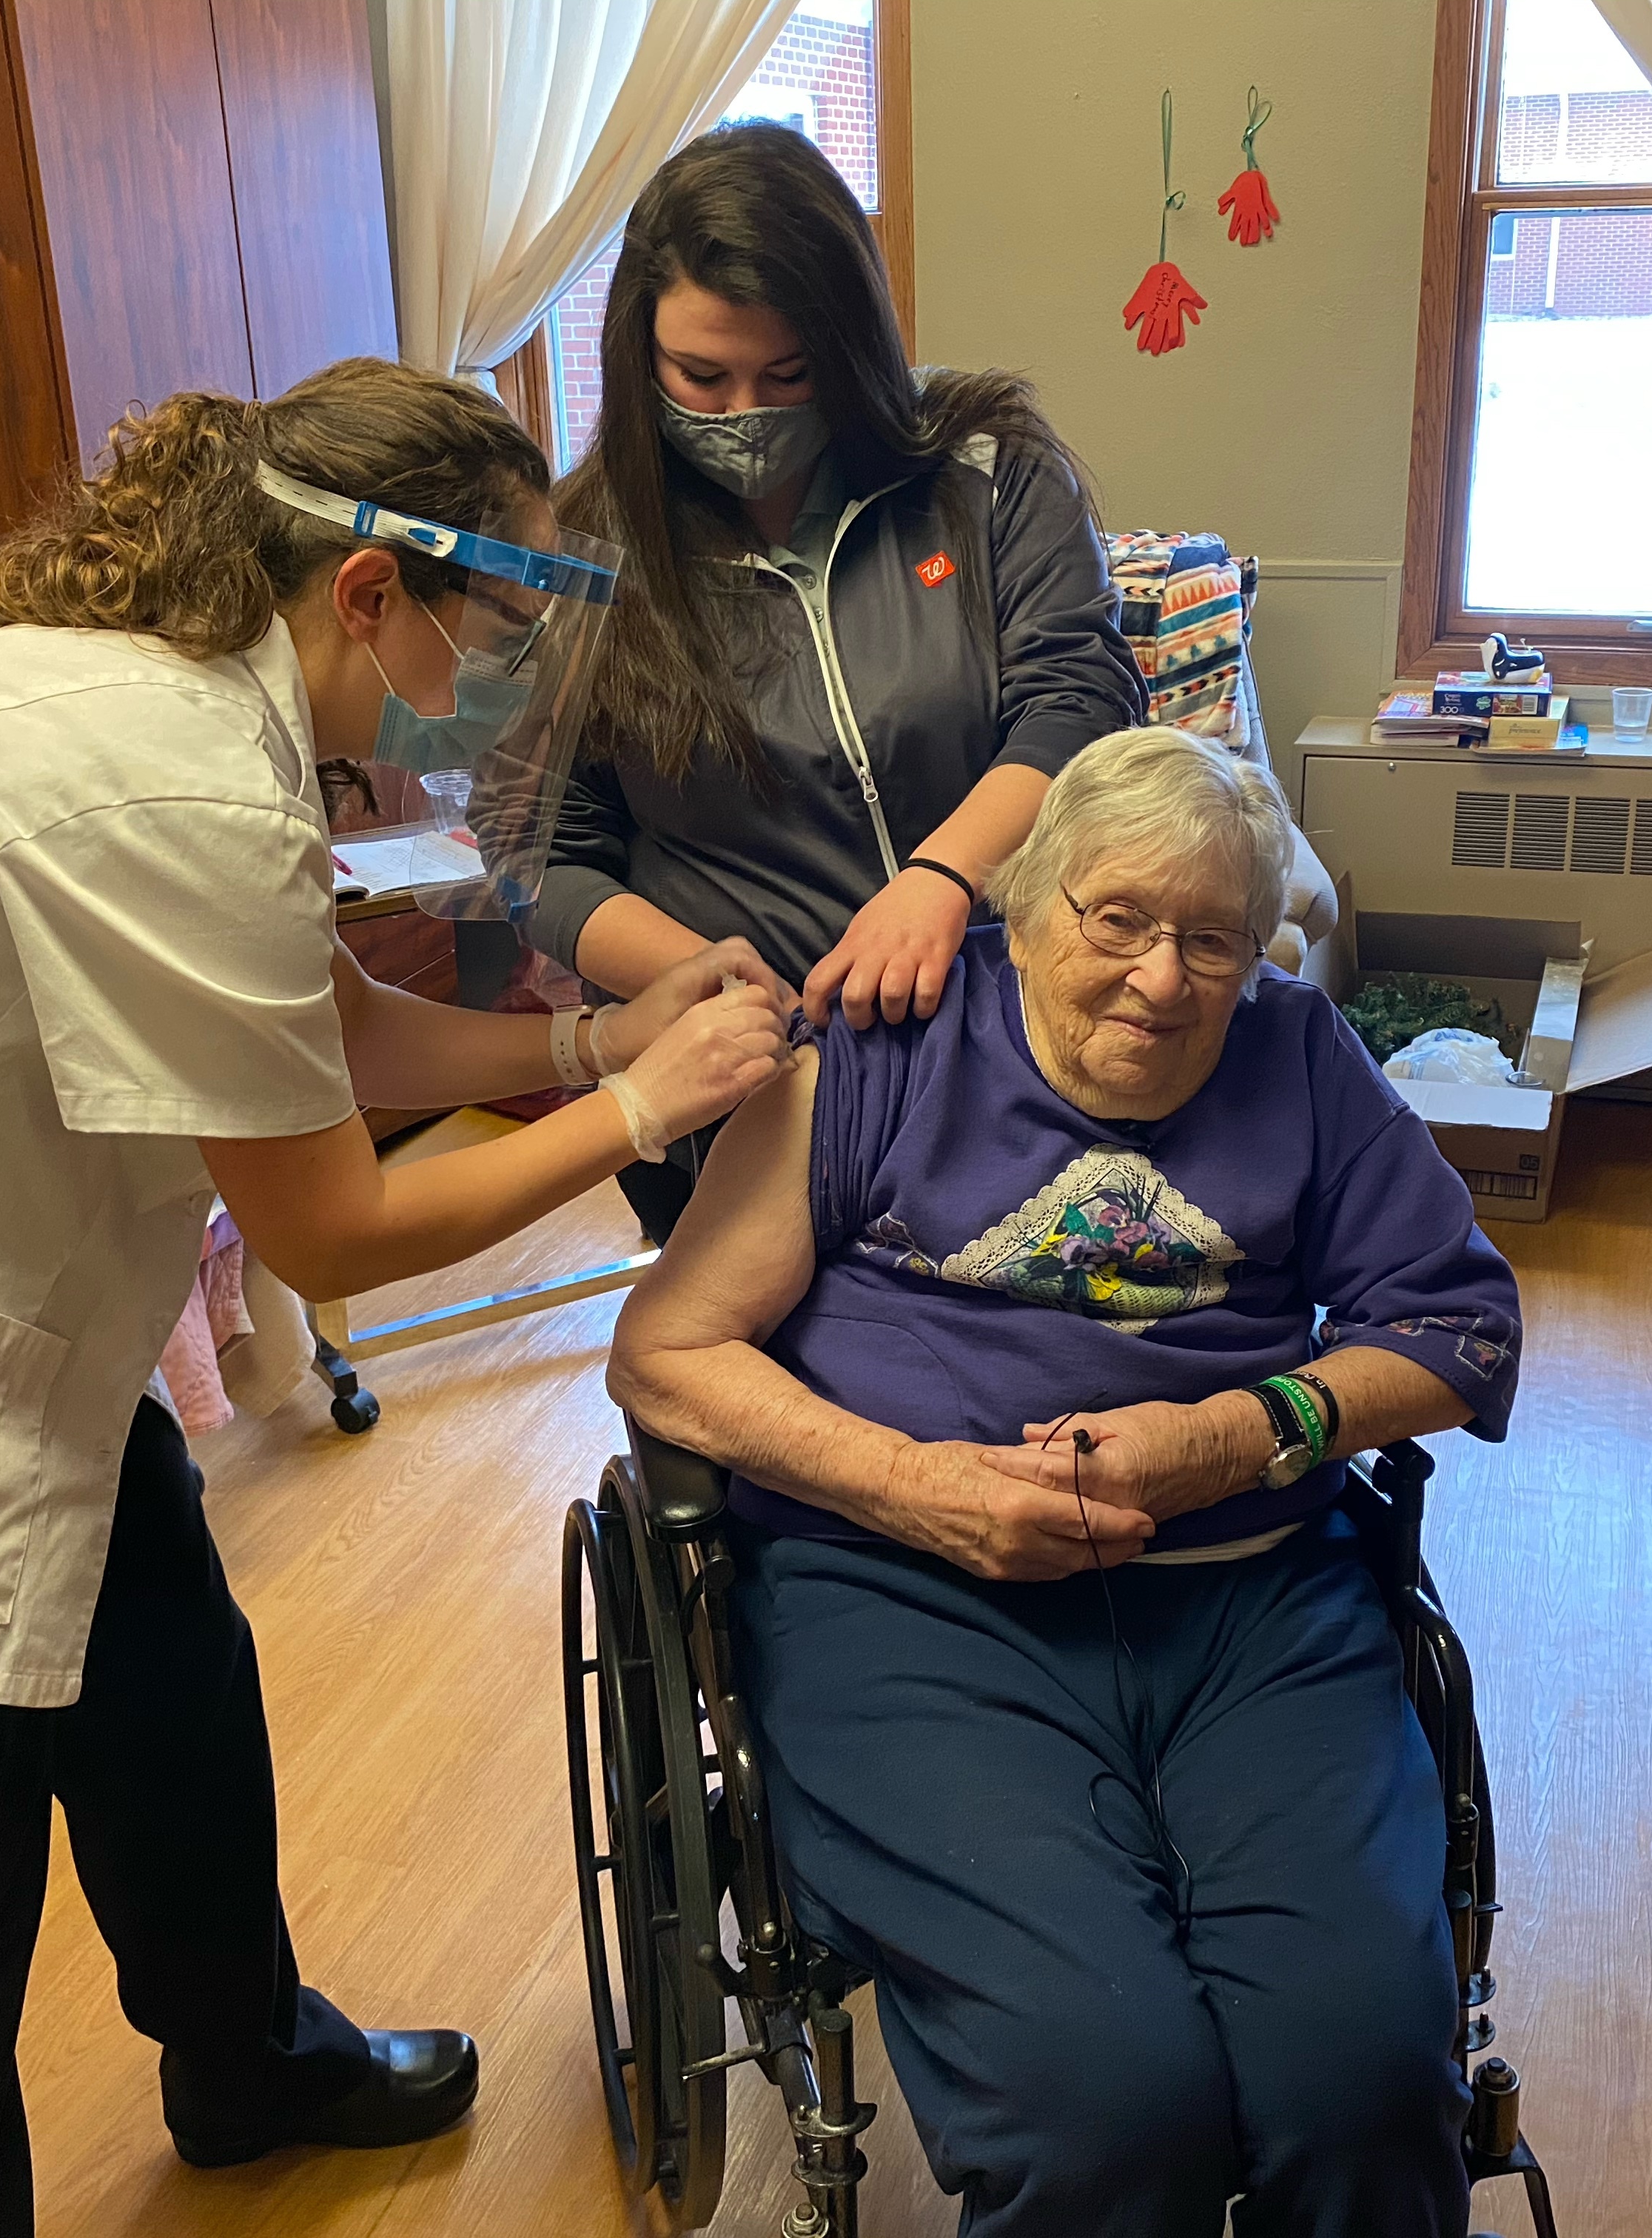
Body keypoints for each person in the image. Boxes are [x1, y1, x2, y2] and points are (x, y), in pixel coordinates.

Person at [0, 358, 793, 2238]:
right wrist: (637, 1111)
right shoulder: (166, 778)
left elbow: (326, 1028)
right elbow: (335, 1227)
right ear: (371, 591)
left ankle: (249, 2066)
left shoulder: (166, 710)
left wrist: (586, 1035)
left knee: (170, 1692)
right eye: (504, 625)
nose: (507, 673)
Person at [609, 727, 1525, 2237]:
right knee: (1104, 2098)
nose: (1163, 979)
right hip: (906, 1601)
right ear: (1024, 912)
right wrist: (918, 1488)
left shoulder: (1301, 1056)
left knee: (1362, 2073)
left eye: (1212, 940)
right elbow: (668, 1350)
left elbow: (1459, 1330)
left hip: (1249, 1600)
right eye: (1119, 920)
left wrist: (1242, 1430)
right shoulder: (887, 1048)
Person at [532, 121, 1146, 1241]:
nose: (744, 414)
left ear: (852, 345)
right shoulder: (583, 553)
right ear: (640, 353)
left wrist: (941, 881)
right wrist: (709, 975)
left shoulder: (988, 467)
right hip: (750, 1090)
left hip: (1011, 1038)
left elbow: (1078, 700)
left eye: (789, 374)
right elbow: (545, 855)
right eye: (701, 377)